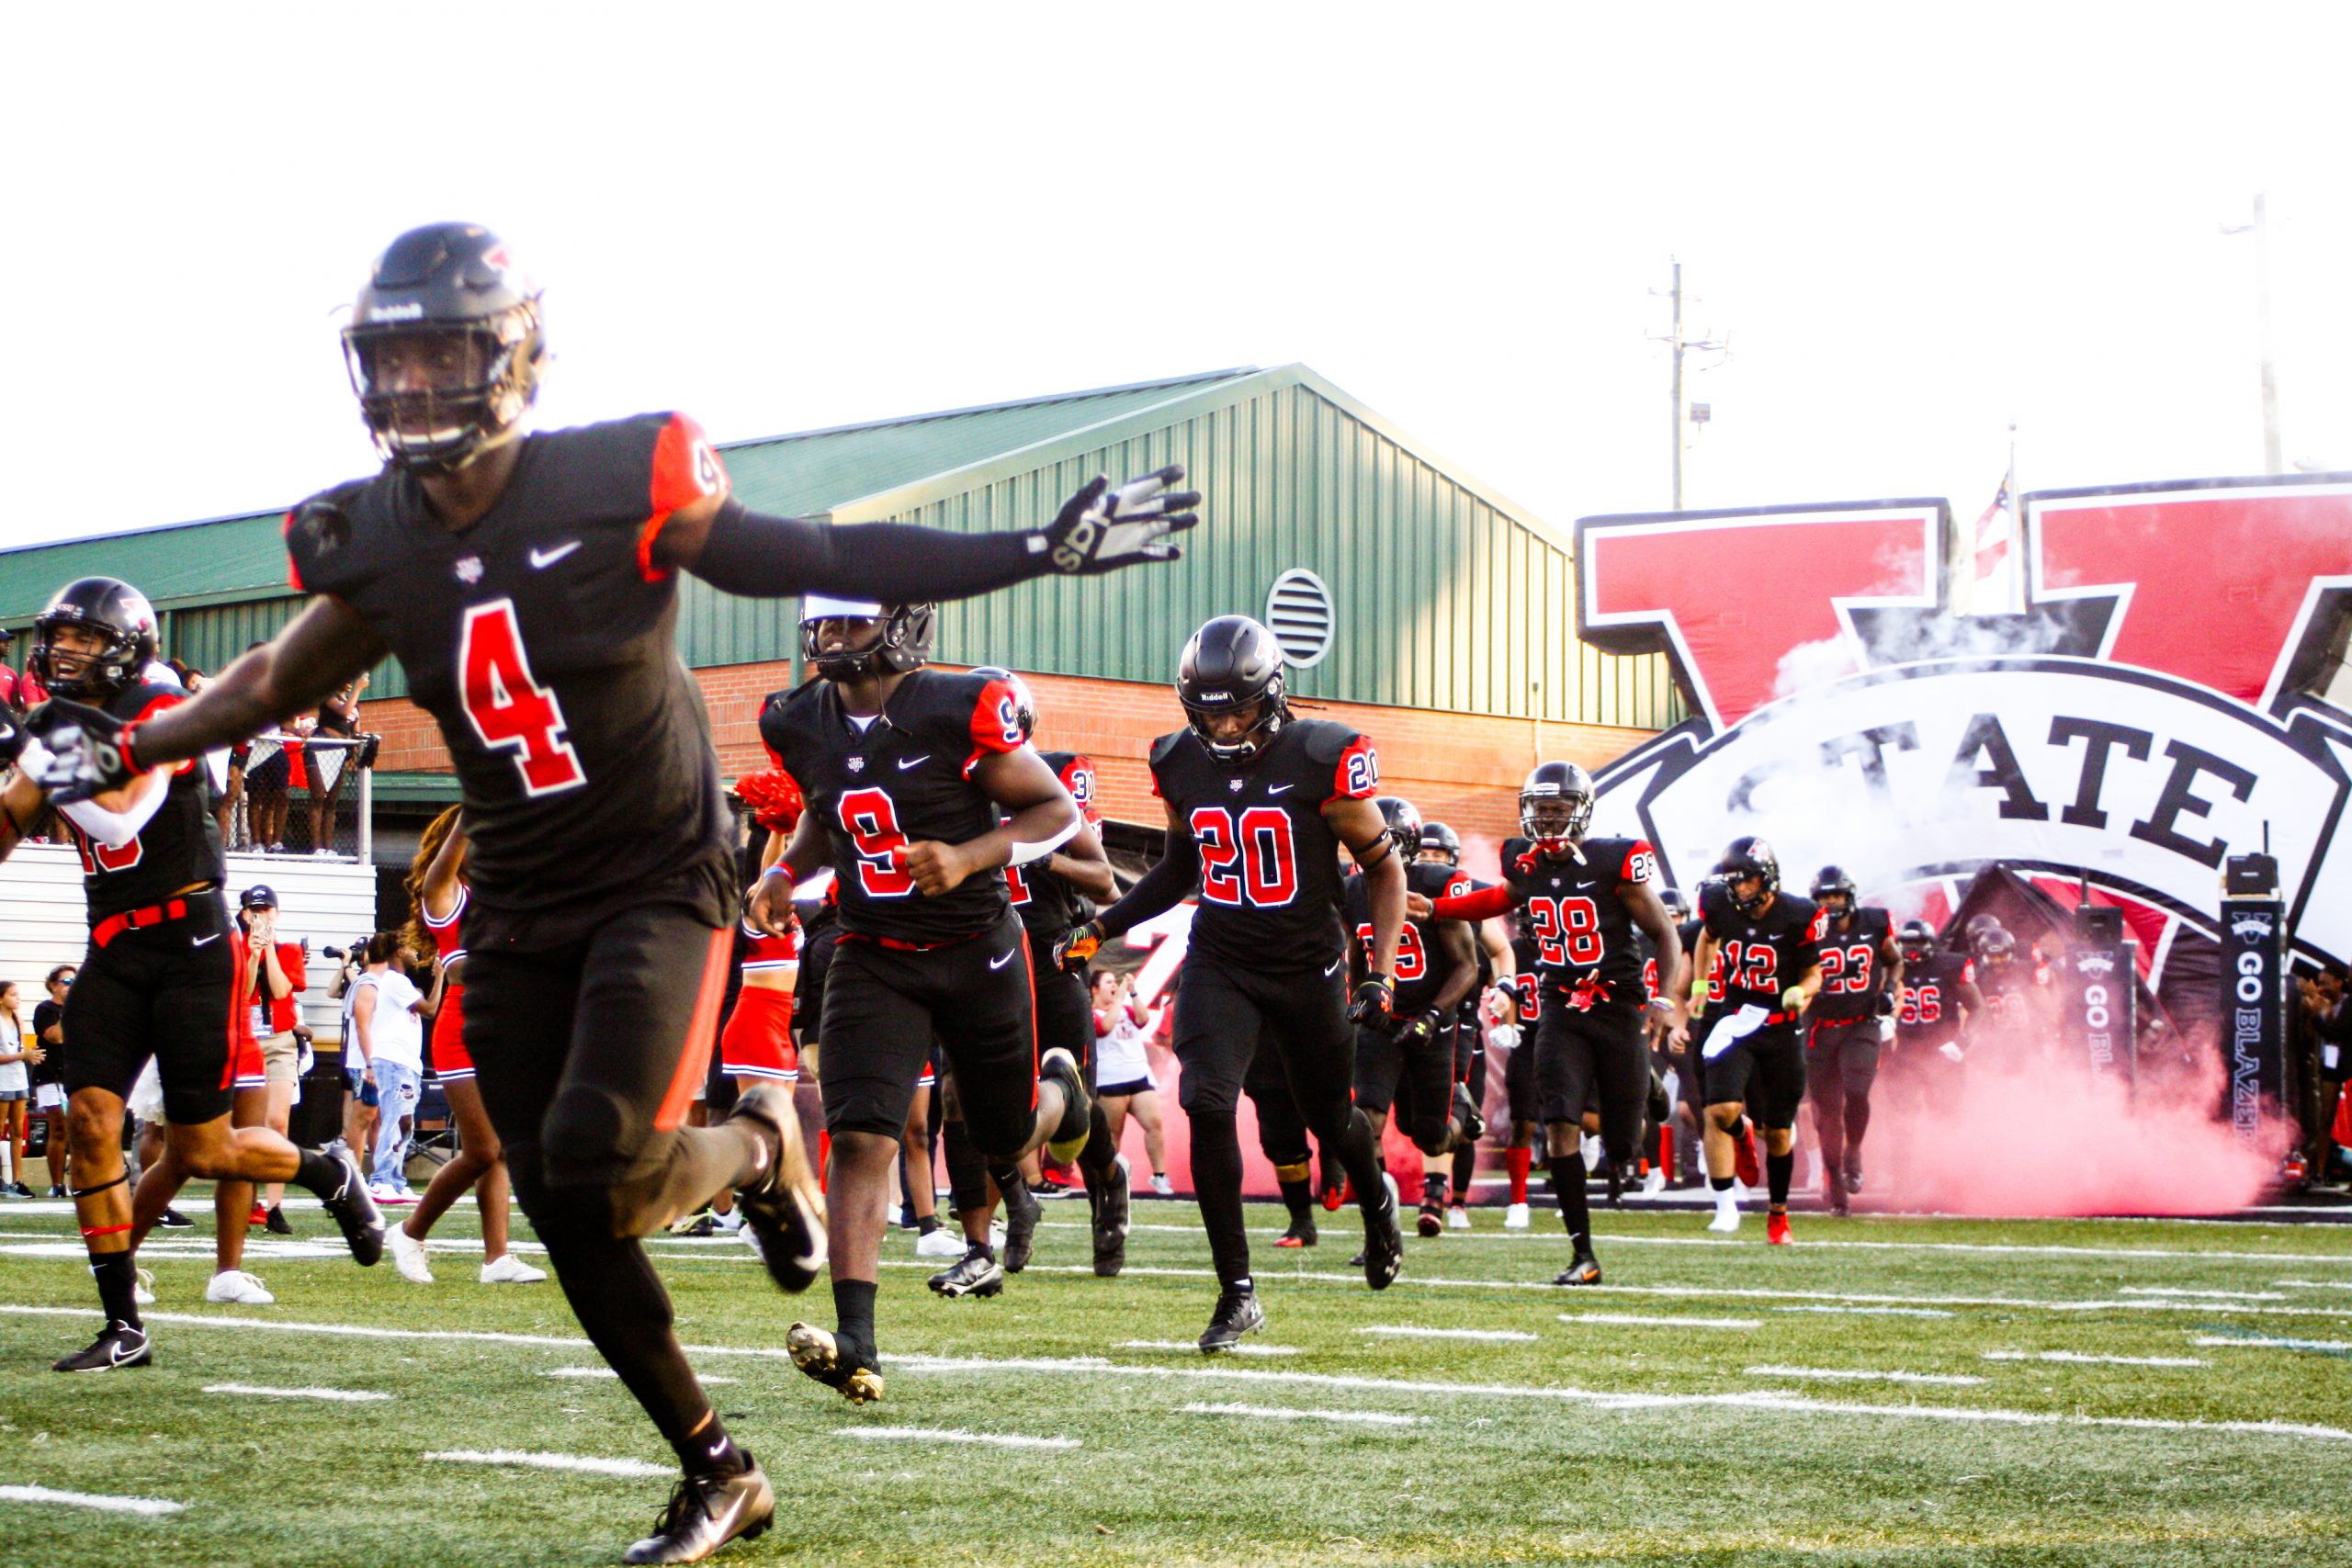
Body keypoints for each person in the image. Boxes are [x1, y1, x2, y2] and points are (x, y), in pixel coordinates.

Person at [25, 220, 1198, 1563]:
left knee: (603, 1159)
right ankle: (718, 1464)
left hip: (656, 873)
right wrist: (135, 740)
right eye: (391, 363)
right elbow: (263, 682)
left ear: (508, 355)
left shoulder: (609, 475)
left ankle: (762, 1145)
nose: (414, 389)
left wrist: (1034, 547)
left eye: (442, 356)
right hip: (522, 890)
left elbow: (797, 542)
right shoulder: (370, 532)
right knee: (570, 1196)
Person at [2, 577, 381, 1371]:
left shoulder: (162, 697)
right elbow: (14, 812)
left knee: (205, 1148)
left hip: (191, 944)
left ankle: (325, 1169)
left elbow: (125, 808)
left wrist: (43, 754)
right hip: (113, 942)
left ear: (127, 647)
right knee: (95, 1124)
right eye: (59, 638)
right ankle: (124, 1324)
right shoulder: (55, 726)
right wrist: (25, 766)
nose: (66, 652)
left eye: (86, 639)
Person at [756, 597, 1092, 1383]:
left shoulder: (955, 704)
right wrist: (782, 869)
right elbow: (824, 811)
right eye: (826, 625)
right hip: (874, 950)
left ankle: (1060, 1097)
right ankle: (858, 1337)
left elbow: (1055, 809)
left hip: (978, 947)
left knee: (1002, 1133)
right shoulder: (797, 718)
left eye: (852, 624)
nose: (834, 637)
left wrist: (972, 856)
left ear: (903, 624)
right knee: (865, 1132)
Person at [1055, 615, 1407, 1351]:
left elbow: (1384, 867)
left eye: (1237, 708)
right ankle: (1236, 1291)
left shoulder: (1322, 755)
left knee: (1330, 1117)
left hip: (1308, 964)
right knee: (1204, 1100)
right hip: (1223, 957)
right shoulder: (1180, 759)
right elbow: (1181, 868)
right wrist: (1101, 925)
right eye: (1208, 710)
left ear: (1273, 694)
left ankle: (1377, 1202)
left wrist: (1378, 973)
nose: (1222, 723)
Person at [1414, 762, 1686, 1285]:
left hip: (1617, 1003)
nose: (1549, 819)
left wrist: (1663, 999)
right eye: (1541, 809)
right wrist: (1440, 908)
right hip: (1560, 1002)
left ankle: (1646, 1083)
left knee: (1625, 1145)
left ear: (1581, 811)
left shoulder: (1612, 860)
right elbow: (1502, 898)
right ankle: (1583, 1255)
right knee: (1558, 1120)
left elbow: (1665, 934)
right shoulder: (1526, 859)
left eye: (1559, 809)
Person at [387, 808, 545, 1284]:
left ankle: (496, 1258)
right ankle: (410, 1232)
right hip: (464, 1027)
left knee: (497, 1152)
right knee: (483, 1149)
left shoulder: (499, 899)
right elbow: (440, 871)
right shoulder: (447, 896)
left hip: (509, 1028)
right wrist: (475, 809)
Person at [1346, 797, 1483, 1238]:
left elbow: (1467, 965)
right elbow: (1356, 949)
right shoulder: (1353, 889)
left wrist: (1433, 1014)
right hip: (1384, 1019)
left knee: (1431, 1136)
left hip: (1433, 1022)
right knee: (1366, 1119)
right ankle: (1380, 1219)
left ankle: (1464, 1110)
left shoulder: (1437, 883)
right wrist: (1358, 994)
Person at [1687, 838, 1825, 1244]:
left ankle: (1778, 1216)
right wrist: (1699, 982)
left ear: (1767, 878)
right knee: (1721, 1109)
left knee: (1780, 1133)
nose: (1739, 889)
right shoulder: (1719, 903)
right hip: (1736, 1018)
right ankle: (1738, 1146)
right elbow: (1708, 938)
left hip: (1781, 1026)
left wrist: (1803, 991)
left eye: (1746, 880)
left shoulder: (1799, 914)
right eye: (1734, 881)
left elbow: (1814, 971)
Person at [1801, 866, 1901, 1215]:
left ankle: (1854, 1149)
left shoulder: (1873, 923)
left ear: (1849, 896)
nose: (1831, 902)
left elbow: (1894, 960)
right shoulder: (1808, 931)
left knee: (1857, 1091)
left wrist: (1888, 991)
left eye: (1837, 895)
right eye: (1825, 897)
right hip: (1821, 1026)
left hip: (1861, 1022)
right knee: (1826, 1113)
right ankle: (1836, 1183)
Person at [237, 885, 307, 1233]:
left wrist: (270, 951)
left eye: (266, 911)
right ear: (244, 914)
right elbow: (246, 993)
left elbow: (281, 991)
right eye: (254, 911)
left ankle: (275, 1205)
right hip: (246, 1040)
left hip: (279, 1041)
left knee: (277, 1121)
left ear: (276, 914)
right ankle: (248, 1203)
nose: (260, 917)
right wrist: (251, 955)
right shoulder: (236, 948)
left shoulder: (290, 950)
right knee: (247, 1125)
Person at [352, 934, 429, 1201]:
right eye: (409, 947)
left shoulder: (399, 982)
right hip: (394, 1060)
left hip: (408, 1062)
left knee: (404, 1122)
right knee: (394, 1119)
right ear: (397, 952)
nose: (414, 952)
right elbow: (429, 1009)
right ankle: (381, 1179)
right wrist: (441, 976)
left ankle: (396, 1180)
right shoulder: (395, 980)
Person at [1092, 970, 1170, 1196]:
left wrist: (1133, 992)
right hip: (1110, 1080)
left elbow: (1143, 1020)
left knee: (1154, 1124)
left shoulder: (1125, 1010)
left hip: (1138, 1075)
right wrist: (1118, 999)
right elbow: (1104, 1027)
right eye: (1108, 982)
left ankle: (1160, 1176)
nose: (1114, 985)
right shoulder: (1091, 1013)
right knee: (1113, 1134)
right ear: (1095, 989)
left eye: (1115, 981)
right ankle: (1111, 1180)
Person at [28, 966, 73, 1197]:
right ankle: (57, 1184)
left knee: (81, 1128)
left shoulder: (84, 1009)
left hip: (76, 1076)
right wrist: (68, 1012)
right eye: (66, 980)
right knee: (58, 1128)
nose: (71, 984)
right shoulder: (45, 1009)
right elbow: (55, 1037)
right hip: (51, 1076)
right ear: (54, 984)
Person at [0, 981, 36, 1196]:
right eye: (13, 995)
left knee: (17, 1131)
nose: (18, 999)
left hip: (19, 1079)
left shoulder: (18, 1020)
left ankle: (17, 1180)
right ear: (1, 998)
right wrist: (22, 1056)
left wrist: (30, 1055)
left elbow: (21, 1050)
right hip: (2, 1080)